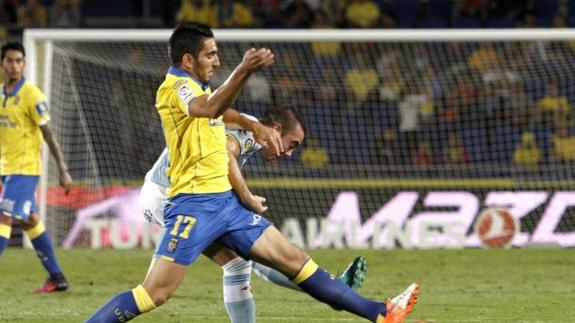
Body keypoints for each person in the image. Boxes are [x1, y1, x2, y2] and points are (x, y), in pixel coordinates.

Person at [85, 22, 418, 323]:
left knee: (293, 260)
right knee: (154, 294)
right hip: (190, 205)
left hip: (225, 206)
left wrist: (249, 123)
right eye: (210, 55)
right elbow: (210, 109)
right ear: (188, 60)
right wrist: (243, 71)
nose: (216, 61)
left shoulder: (199, 88)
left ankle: (379, 312)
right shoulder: (176, 88)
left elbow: (220, 109)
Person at [140, 105, 367, 322]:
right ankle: (332, 288)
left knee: (241, 262)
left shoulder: (248, 125)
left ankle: (332, 288)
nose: (289, 154)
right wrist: (246, 196)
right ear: (277, 129)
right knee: (235, 263)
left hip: (167, 193)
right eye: (292, 144)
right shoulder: (250, 134)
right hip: (167, 195)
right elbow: (225, 152)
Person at [0, 41, 73, 293]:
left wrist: (62, 169)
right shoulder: (1, 94)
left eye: (19, 61)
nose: (14, 65)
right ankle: (57, 277)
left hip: (26, 169)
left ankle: (57, 276)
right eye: (10, 60)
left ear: (25, 63)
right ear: (2, 64)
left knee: (4, 215)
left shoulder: (32, 95)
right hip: (7, 169)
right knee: (30, 220)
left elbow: (49, 135)